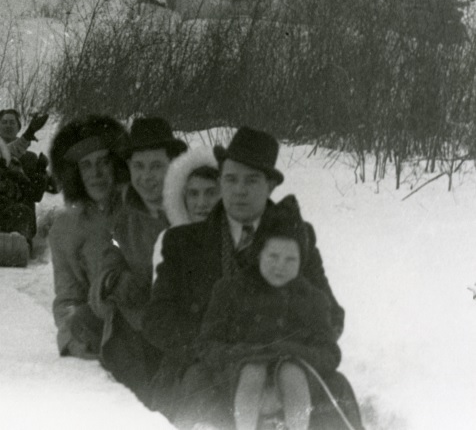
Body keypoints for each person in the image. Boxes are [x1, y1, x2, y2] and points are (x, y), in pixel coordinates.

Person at [143, 126, 362, 429]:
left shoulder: (297, 238)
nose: (239, 190)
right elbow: (158, 321)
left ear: (270, 185)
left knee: (336, 396)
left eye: (251, 180)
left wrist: (285, 352)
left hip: (290, 367)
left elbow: (330, 314)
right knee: (199, 406)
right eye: (231, 179)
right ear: (220, 180)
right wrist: (223, 353)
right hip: (208, 370)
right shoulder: (184, 243)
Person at [196, 196, 342, 430]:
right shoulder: (231, 290)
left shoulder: (312, 299)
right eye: (273, 256)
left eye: (290, 259)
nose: (280, 266)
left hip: (296, 378)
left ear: (301, 261)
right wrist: (246, 354)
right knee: (252, 372)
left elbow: (329, 352)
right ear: (258, 254)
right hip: (239, 376)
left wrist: (292, 353)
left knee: (291, 373)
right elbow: (207, 344)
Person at [86, 116, 187, 400]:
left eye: (157, 166)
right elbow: (108, 256)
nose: (147, 176)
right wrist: (114, 280)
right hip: (136, 321)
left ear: (173, 165)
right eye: (138, 166)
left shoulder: (191, 205)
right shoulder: (122, 212)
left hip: (182, 325)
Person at [47, 115, 130, 359]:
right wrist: (72, 337)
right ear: (76, 174)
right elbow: (67, 300)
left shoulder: (138, 210)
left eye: (103, 162)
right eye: (86, 165)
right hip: (102, 337)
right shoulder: (65, 230)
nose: (96, 173)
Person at [152, 147, 222, 281]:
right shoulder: (169, 242)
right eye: (193, 194)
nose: (201, 203)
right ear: (183, 198)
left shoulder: (239, 237)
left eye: (211, 193)